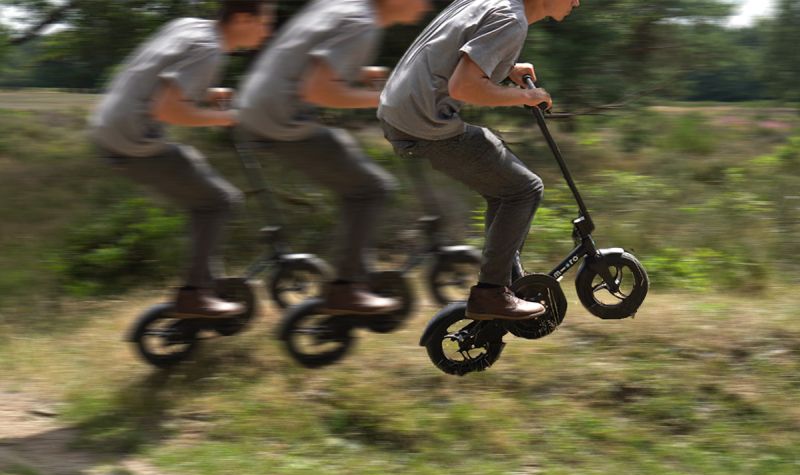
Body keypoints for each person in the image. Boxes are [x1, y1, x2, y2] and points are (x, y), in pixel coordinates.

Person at [379, 0, 581, 321]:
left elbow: (455, 49)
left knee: (505, 187)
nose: (576, 2)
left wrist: (506, 68)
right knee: (525, 190)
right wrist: (526, 96)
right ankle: (491, 293)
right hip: (425, 120)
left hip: (399, 110)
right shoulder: (513, 21)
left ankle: (505, 278)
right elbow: (464, 86)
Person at [236, 0, 432, 316]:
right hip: (281, 119)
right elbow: (319, 91)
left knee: (355, 182)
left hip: (258, 109)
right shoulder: (362, 23)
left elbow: (308, 62)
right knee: (372, 189)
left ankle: (356, 273)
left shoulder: (343, 8)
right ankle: (346, 289)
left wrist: (363, 75)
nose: (426, 7)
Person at [89, 0, 274, 318]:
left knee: (202, 191)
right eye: (265, 23)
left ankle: (203, 282)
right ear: (243, 19)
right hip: (133, 139)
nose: (267, 32)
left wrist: (206, 94)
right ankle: (194, 295)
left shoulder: (188, 26)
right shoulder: (210, 50)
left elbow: (159, 77)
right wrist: (227, 118)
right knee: (219, 201)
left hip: (108, 125)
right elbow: (169, 109)